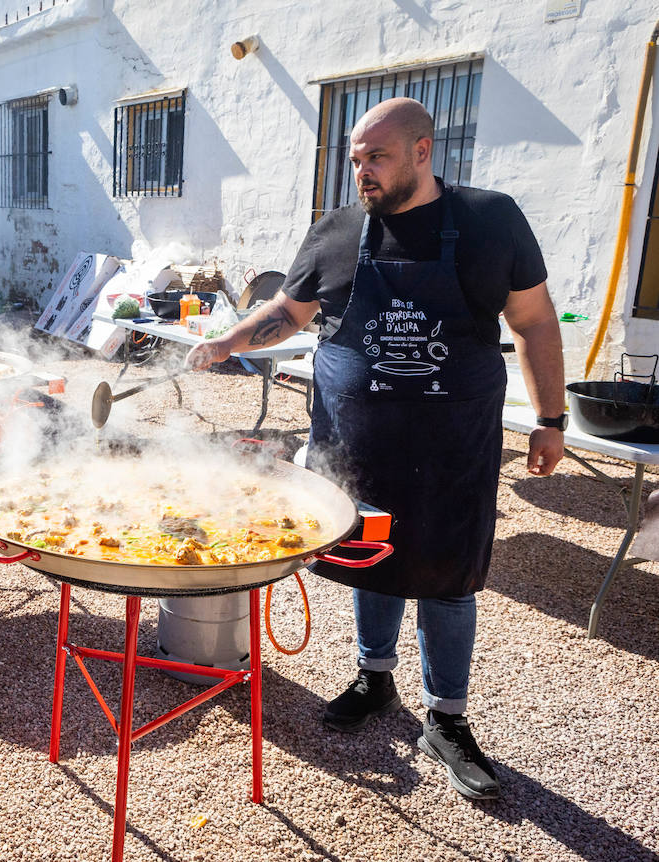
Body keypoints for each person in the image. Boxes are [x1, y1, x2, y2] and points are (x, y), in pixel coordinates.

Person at [186, 98, 565, 801]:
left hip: (454, 448)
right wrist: (229, 340)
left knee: (449, 579)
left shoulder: (490, 220)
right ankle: (374, 678)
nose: (361, 171)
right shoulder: (335, 230)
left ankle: (447, 720)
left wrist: (551, 418)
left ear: (423, 152)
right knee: (370, 560)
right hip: (356, 445)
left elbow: (535, 321)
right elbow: (289, 312)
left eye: (377, 157)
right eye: (355, 158)